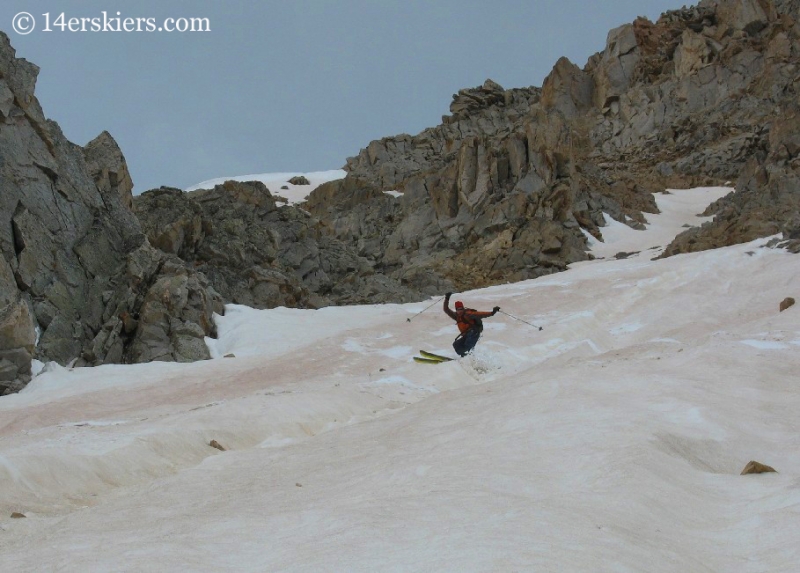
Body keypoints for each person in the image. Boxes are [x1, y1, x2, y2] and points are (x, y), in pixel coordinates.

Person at [443, 292, 500, 357]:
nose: (460, 311)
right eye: (458, 309)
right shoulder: (456, 316)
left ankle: (470, 358)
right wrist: (447, 298)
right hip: (466, 335)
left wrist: (492, 313)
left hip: (473, 333)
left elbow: (480, 314)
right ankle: (465, 357)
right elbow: (446, 309)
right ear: (456, 310)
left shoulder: (468, 314)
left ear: (463, 308)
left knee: (467, 346)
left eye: (461, 309)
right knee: (456, 345)